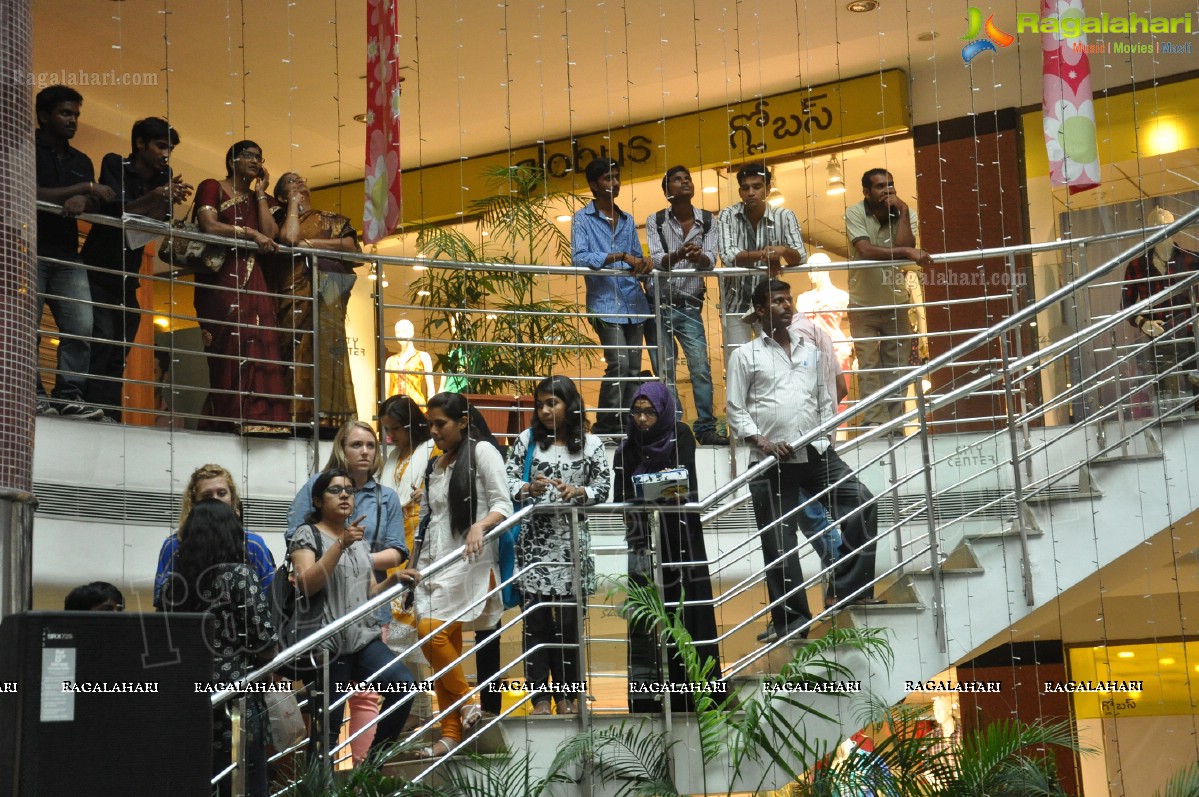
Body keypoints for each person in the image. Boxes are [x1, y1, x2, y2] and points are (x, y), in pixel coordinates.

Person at [727, 280, 881, 643]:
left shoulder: (809, 350)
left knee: (861, 502)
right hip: (770, 464)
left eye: (788, 299)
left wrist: (826, 434)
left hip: (816, 454)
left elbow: (824, 395)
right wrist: (763, 442)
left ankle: (850, 591)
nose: (786, 305)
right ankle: (792, 623)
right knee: (779, 545)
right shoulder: (745, 355)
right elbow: (735, 410)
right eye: (777, 301)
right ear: (761, 311)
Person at [286, 420, 409, 763]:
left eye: (348, 492)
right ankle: (318, 788)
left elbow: (369, 590)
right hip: (328, 643)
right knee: (327, 727)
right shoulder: (308, 535)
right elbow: (307, 583)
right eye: (336, 491)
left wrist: (395, 581)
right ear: (317, 498)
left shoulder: (358, 539)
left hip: (363, 636)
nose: (344, 495)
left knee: (402, 686)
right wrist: (339, 544)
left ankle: (368, 769)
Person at [413, 392, 513, 756]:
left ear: (463, 421)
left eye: (441, 424)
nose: (434, 431)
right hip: (434, 563)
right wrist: (415, 563)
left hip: (469, 561)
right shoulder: (436, 464)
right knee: (443, 646)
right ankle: (451, 731)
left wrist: (479, 525)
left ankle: (469, 704)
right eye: (430, 425)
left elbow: (503, 504)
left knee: (430, 633)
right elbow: (428, 519)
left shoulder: (483, 452)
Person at [614, 382, 724, 712]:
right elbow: (623, 499)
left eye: (650, 411)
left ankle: (697, 695)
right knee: (645, 618)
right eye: (637, 412)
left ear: (663, 411)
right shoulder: (625, 449)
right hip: (643, 543)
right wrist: (653, 490)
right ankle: (646, 699)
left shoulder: (681, 435)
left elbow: (681, 486)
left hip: (681, 539)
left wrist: (648, 489)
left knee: (689, 613)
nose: (642, 419)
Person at [505, 375, 610, 715]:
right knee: (535, 623)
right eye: (541, 404)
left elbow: (603, 488)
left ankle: (569, 697)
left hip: (572, 546)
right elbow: (505, 481)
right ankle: (539, 699)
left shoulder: (591, 444)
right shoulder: (527, 440)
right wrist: (527, 489)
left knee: (568, 625)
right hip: (534, 545)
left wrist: (580, 493)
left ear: (570, 404)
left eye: (554, 403)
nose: (546, 410)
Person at [161, 499, 277, 797]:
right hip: (234, 703)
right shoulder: (240, 575)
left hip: (186, 704)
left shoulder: (172, 586)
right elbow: (264, 643)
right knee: (246, 785)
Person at [80, 117, 192, 421]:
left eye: (169, 148)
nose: (165, 154)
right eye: (159, 146)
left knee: (121, 345)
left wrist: (166, 199)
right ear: (140, 143)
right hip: (100, 268)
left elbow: (156, 221)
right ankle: (89, 405)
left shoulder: (163, 175)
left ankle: (110, 412)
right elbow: (114, 209)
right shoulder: (115, 163)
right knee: (102, 339)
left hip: (129, 274)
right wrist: (154, 197)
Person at [193, 140, 289, 434]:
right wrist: (248, 232)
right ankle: (227, 418)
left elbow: (270, 236)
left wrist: (260, 193)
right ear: (232, 159)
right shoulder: (212, 186)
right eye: (249, 155)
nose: (256, 161)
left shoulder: (264, 199)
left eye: (260, 158)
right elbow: (209, 225)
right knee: (229, 344)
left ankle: (261, 419)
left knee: (260, 340)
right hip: (220, 279)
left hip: (255, 279)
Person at [33, 85, 112, 420]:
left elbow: (96, 200)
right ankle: (31, 393)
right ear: (43, 115)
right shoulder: (23, 147)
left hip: (67, 253)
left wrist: (85, 198)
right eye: (66, 113)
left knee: (81, 327)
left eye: (76, 115)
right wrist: (83, 188)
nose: (73, 121)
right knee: (27, 327)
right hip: (28, 249)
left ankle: (68, 395)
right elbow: (28, 190)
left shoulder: (81, 160)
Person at [644, 165, 728, 446]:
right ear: (667, 190)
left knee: (700, 367)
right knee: (665, 371)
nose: (684, 183)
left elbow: (711, 261)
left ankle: (705, 427)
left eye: (687, 179)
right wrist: (680, 253)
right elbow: (656, 259)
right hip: (659, 304)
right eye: (677, 180)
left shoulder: (708, 219)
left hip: (690, 305)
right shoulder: (655, 220)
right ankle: (674, 428)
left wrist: (698, 258)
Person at [273, 172, 362, 433]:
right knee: (294, 349)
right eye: (290, 181)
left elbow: (350, 247)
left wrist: (310, 244)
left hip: (327, 292)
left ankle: (329, 419)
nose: (299, 181)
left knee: (327, 351)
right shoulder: (280, 220)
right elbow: (289, 238)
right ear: (281, 194)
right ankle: (295, 416)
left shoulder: (330, 219)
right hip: (293, 291)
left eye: (301, 178)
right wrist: (291, 204)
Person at [844, 169, 933, 426]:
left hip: (897, 304)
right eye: (880, 186)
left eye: (891, 185)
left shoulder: (907, 214)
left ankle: (894, 423)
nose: (888, 190)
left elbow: (906, 249)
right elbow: (864, 250)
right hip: (862, 305)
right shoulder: (855, 212)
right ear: (866, 192)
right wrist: (906, 250)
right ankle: (874, 424)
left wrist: (903, 213)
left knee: (897, 366)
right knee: (870, 367)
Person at [572, 157, 652, 436]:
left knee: (632, 367)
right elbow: (580, 257)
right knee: (618, 363)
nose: (615, 183)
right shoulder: (582, 219)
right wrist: (618, 256)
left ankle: (626, 422)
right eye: (608, 178)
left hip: (634, 300)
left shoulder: (628, 219)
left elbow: (636, 258)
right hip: (604, 302)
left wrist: (642, 263)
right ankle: (606, 424)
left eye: (616, 177)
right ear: (594, 184)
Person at [153, 463, 276, 610]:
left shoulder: (253, 544)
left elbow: (270, 598)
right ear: (194, 502)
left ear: (232, 498)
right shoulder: (174, 544)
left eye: (222, 493)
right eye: (207, 495)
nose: (215, 499)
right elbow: (162, 601)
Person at [716, 163, 807, 353]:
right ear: (740, 192)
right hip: (735, 304)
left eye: (756, 187)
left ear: (767, 189)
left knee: (777, 358)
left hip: (769, 305)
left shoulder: (785, 216)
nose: (751, 192)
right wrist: (766, 255)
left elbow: (800, 256)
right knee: (737, 361)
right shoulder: (727, 215)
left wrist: (781, 250)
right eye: (745, 188)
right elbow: (728, 255)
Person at [1121, 207, 1199, 403]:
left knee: (1196, 381)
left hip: (1192, 333)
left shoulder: (1193, 260)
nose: (1160, 230)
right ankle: (1166, 420)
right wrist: (1143, 323)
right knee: (1164, 391)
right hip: (1160, 334)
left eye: (1165, 226)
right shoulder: (1137, 266)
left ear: (1175, 228)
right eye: (1155, 227)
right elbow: (1125, 305)